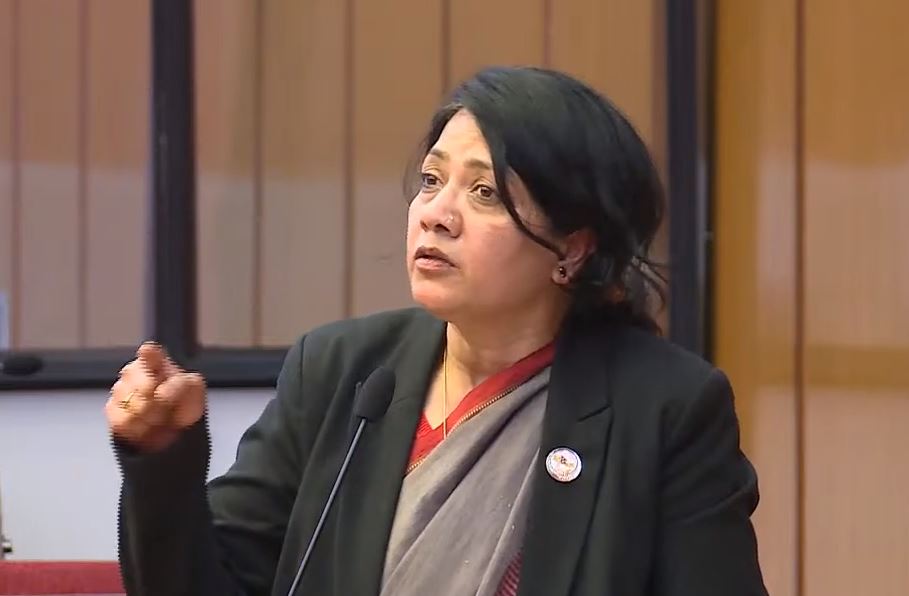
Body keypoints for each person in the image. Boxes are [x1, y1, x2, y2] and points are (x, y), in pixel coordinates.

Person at [107, 66, 767, 595]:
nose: (435, 215)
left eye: (484, 193)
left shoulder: (664, 409)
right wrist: (163, 461)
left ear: (571, 249)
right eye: (431, 180)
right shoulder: (341, 372)